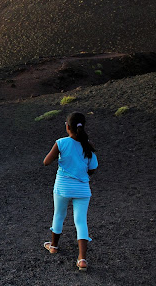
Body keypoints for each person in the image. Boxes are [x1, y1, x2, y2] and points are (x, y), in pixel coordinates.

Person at [43, 112, 99, 271]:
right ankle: (82, 259)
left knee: (59, 215)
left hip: (63, 187)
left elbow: (46, 162)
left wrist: (60, 157)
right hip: (82, 189)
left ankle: (53, 246)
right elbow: (93, 168)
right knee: (81, 221)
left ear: (67, 127)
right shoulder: (87, 144)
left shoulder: (61, 143)